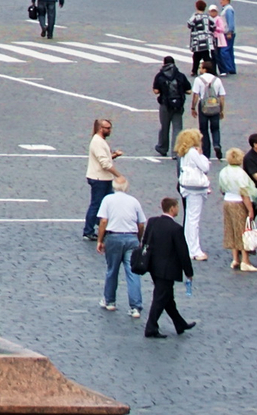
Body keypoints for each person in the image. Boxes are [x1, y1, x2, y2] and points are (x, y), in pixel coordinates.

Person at [139, 197, 195, 339]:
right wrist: (189, 272)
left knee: (167, 298)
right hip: (168, 270)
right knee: (160, 298)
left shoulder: (152, 222)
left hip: (153, 267)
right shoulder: (176, 229)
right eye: (177, 207)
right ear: (172, 209)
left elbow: (145, 242)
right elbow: (183, 252)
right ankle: (151, 327)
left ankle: (179, 323)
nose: (178, 209)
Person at [95, 174, 146, 313]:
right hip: (131, 238)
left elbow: (103, 221)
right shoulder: (134, 201)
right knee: (132, 273)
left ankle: (110, 300)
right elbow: (141, 224)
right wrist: (139, 239)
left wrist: (100, 240)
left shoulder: (108, 200)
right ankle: (135, 307)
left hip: (114, 237)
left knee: (112, 270)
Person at [216, 147, 257, 273]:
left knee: (231, 230)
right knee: (242, 231)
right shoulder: (241, 173)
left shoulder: (224, 171)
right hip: (238, 203)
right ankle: (245, 261)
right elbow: (244, 193)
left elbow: (221, 188)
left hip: (227, 201)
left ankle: (235, 259)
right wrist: (250, 209)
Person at [79, 118, 121, 240]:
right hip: (99, 179)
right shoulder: (98, 142)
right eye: (107, 128)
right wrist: (119, 175)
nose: (109, 130)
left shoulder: (100, 141)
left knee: (106, 204)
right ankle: (88, 231)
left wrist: (114, 155)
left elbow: (104, 159)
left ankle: (104, 226)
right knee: (96, 205)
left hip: (103, 178)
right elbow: (105, 164)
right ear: (100, 128)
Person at [150, 56, 192, 157]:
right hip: (178, 105)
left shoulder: (160, 76)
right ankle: (176, 151)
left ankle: (162, 147)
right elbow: (189, 90)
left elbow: (156, 91)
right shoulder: (180, 75)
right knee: (177, 128)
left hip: (165, 104)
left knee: (164, 127)